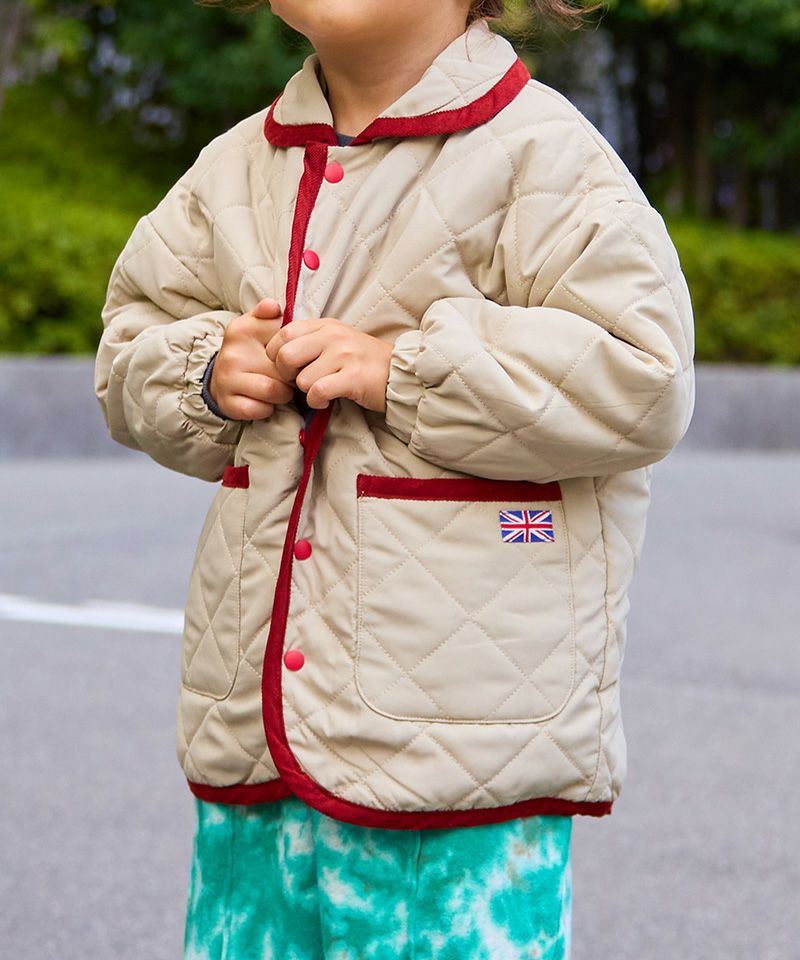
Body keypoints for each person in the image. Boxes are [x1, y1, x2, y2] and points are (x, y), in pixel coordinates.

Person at [94, 0, 694, 956]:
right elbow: (127, 347)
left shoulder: (543, 157)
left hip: (462, 748)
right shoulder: (235, 168)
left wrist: (406, 371)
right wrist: (206, 369)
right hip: (257, 738)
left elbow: (642, 377)